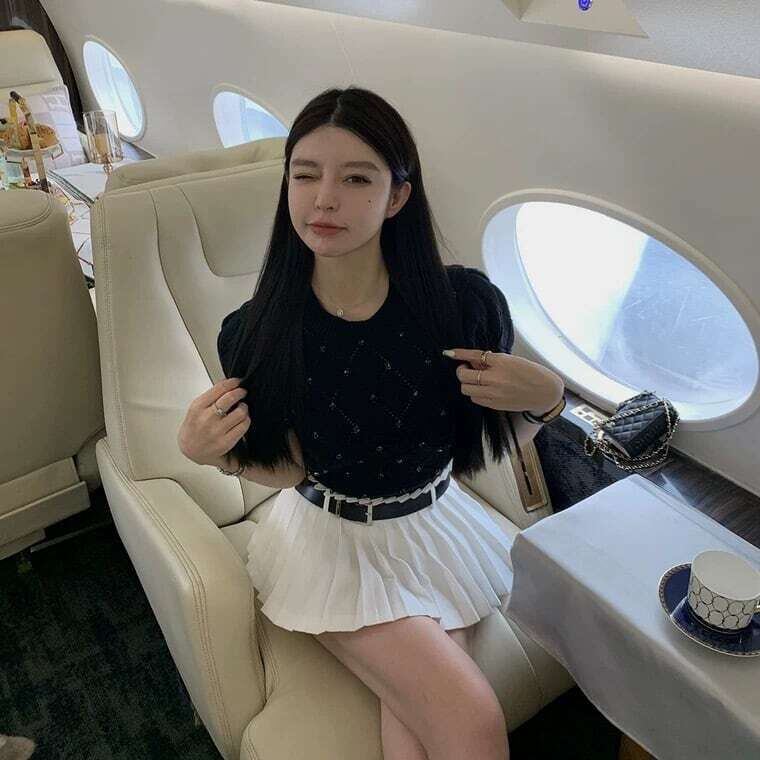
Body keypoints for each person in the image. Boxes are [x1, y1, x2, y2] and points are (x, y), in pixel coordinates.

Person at [178, 86, 565, 760]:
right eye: (305, 175)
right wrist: (212, 455)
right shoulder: (257, 332)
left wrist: (548, 399)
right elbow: (291, 468)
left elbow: (478, 448)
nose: (324, 199)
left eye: (356, 179)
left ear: (397, 196)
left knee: (416, 736)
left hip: (435, 528)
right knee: (472, 720)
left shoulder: (464, 305)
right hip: (331, 544)